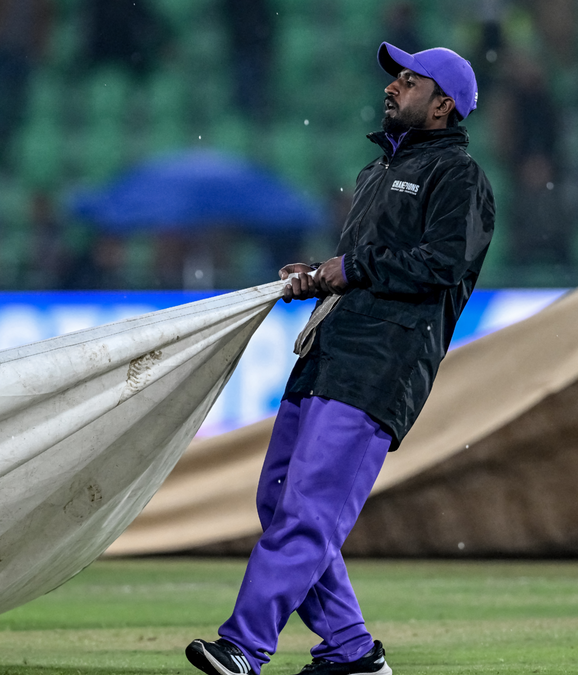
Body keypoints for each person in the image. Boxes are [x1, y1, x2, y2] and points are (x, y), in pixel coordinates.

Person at [185, 42, 494, 675]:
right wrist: (320, 275)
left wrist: (347, 269)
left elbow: (442, 267)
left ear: (443, 106)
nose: (393, 88)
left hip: (382, 365)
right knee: (279, 503)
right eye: (396, 79)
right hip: (331, 353)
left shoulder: (460, 177)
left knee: (308, 511)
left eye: (411, 81)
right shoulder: (376, 174)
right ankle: (352, 652)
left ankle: (244, 646)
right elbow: (365, 271)